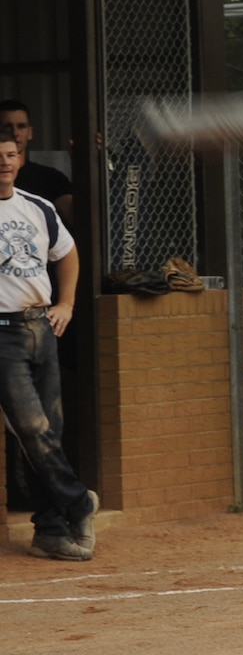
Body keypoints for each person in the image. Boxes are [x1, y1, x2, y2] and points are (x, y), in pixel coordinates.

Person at [0, 135, 97, 562]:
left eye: (9, 155)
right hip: (1, 333)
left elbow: (68, 254)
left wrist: (67, 304)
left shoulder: (38, 206)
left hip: (41, 325)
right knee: (33, 430)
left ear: (21, 159)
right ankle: (79, 502)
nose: (4, 163)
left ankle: (51, 530)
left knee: (49, 433)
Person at [0, 101, 74, 225]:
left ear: (30, 133)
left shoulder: (50, 178)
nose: (15, 132)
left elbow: (77, 217)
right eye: (7, 127)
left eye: (21, 126)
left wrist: (84, 164)